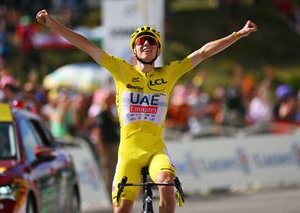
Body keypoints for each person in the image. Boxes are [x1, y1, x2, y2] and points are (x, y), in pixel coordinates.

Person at [36, 9, 257, 213]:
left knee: (167, 184)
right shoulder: (121, 70)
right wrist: (53, 24)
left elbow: (203, 52)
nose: (146, 45)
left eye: (152, 42)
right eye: (141, 42)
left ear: (158, 50)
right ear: (134, 49)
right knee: (122, 209)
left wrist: (237, 35)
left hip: (155, 151)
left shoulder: (168, 74)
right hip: (128, 154)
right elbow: (86, 45)